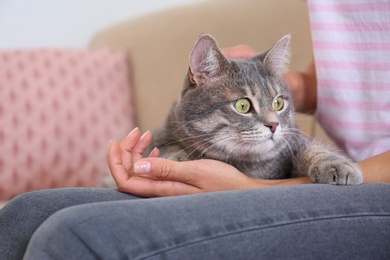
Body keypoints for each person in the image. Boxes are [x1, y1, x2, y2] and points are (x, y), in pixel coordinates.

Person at [1, 1, 390, 259]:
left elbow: (301, 148)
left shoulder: (285, 141)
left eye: (276, 108)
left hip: (379, 183)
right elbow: (355, 72)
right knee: (23, 214)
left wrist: (257, 190)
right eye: (244, 107)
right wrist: (280, 89)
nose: (273, 124)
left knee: (72, 236)